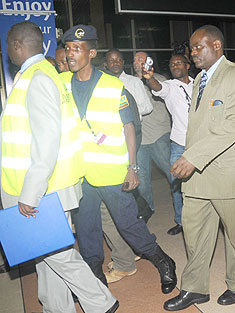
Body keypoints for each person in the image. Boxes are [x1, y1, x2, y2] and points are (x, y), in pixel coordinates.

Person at [2, 21, 118, 313]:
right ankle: (57, 309)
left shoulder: (37, 78)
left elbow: (47, 139)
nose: (6, 52)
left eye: (7, 45)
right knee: (44, 256)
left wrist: (30, 193)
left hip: (42, 189)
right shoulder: (39, 74)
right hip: (48, 186)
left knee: (58, 254)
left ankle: (102, 303)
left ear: (17, 45)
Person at [61, 24, 177, 294]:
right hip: (81, 174)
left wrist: (132, 166)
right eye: (67, 49)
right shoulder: (63, 84)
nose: (70, 54)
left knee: (129, 225)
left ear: (92, 53)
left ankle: (163, 261)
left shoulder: (113, 86)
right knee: (88, 230)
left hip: (113, 172)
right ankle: (95, 279)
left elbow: (129, 127)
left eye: (76, 49)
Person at [164, 25, 235, 311]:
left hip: (229, 172)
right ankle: (194, 288)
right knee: (194, 233)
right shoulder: (199, 80)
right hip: (197, 173)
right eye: (191, 48)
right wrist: (189, 157)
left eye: (197, 47)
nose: (192, 53)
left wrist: (193, 157)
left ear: (216, 45)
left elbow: (233, 126)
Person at [99, 48, 152, 284]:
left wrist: (132, 163)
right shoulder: (102, 83)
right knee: (125, 205)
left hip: (125, 150)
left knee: (126, 206)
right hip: (109, 154)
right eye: (111, 60)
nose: (115, 63)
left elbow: (134, 121)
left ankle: (140, 252)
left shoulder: (125, 86)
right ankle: (136, 249)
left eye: (119, 60)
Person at [142, 54, 194, 235]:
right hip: (179, 143)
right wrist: (150, 78)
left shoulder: (200, 84)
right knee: (176, 184)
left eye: (179, 62)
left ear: (188, 65)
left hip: (200, 142)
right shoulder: (170, 86)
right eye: (172, 64)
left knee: (206, 182)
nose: (175, 66)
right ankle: (181, 221)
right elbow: (158, 87)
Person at [133, 52, 173, 215]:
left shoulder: (158, 80)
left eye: (141, 59)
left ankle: (183, 213)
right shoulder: (130, 82)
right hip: (140, 139)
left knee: (174, 176)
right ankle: (147, 212)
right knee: (142, 182)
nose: (137, 62)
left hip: (159, 135)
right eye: (135, 59)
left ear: (148, 61)